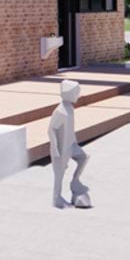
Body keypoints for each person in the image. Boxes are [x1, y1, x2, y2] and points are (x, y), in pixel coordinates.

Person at [48, 80, 90, 208]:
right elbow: (51, 129)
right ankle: (57, 199)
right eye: (76, 93)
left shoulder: (70, 108)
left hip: (71, 145)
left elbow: (71, 128)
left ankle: (75, 181)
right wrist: (55, 149)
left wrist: (75, 141)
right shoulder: (60, 111)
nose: (78, 95)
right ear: (69, 93)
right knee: (59, 175)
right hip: (61, 149)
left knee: (83, 157)